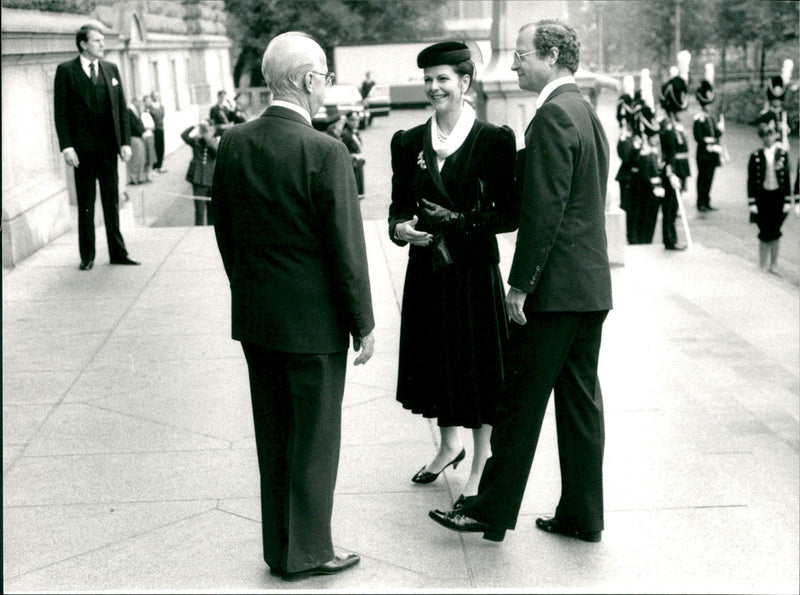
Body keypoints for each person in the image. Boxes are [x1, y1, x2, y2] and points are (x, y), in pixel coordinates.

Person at [428, 19, 611, 544]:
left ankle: (488, 510)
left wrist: (520, 284)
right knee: (579, 407)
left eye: (521, 54)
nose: (513, 64)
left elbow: (546, 211)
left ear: (551, 55)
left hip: (554, 293)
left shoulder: (553, 116)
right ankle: (581, 514)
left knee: (517, 402)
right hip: (590, 289)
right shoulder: (585, 112)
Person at [211, 31, 375, 581]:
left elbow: (225, 232)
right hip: (314, 326)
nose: (326, 85)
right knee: (314, 442)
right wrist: (363, 323)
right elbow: (346, 252)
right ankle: (308, 552)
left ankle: (280, 547)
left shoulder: (233, 142)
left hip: (259, 321)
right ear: (308, 80)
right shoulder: (326, 151)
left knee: (275, 437)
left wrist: (250, 288)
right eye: (324, 75)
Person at [389, 40, 517, 508]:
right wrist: (400, 229)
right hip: (427, 274)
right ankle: (449, 445)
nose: (433, 87)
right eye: (428, 80)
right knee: (439, 364)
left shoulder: (494, 140)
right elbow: (397, 208)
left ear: (465, 83)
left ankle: (481, 459)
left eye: (443, 79)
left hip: (472, 275)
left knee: (478, 369)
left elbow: (509, 214)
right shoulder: (407, 143)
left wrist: (458, 221)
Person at [53, 23, 140, 270]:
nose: (102, 44)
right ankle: (87, 256)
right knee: (87, 204)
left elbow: (121, 109)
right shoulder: (66, 71)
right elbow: (60, 113)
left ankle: (118, 253)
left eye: (102, 40)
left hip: (108, 149)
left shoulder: (110, 69)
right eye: (97, 40)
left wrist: (124, 142)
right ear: (83, 44)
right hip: (81, 152)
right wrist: (66, 147)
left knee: (112, 201)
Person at [747, 117, 792, 274]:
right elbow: (751, 180)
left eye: (771, 134)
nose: (768, 138)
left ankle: (774, 264)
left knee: (776, 230)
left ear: (775, 136)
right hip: (763, 196)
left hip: (777, 196)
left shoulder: (782, 155)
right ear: (762, 137)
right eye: (765, 135)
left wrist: (787, 199)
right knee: (764, 230)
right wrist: (752, 202)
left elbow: (786, 179)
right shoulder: (756, 156)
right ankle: (762, 264)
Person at [658, 51, 692, 251]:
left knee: (674, 207)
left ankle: (671, 237)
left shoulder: (675, 124)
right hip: (673, 169)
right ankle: (669, 240)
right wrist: (671, 173)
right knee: (670, 207)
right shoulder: (668, 127)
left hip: (680, 167)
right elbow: (668, 152)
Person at [693, 66, 723, 212]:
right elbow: (698, 136)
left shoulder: (711, 117)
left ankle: (707, 200)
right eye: (707, 105)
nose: (709, 107)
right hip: (703, 152)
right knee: (703, 178)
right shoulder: (699, 118)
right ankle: (700, 202)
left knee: (710, 177)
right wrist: (710, 142)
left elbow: (716, 133)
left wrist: (719, 131)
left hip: (712, 152)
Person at [181, 119, 218, 226]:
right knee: (199, 211)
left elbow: (215, 153)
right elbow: (184, 135)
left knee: (212, 211)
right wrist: (195, 125)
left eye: (208, 128)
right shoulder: (196, 141)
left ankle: (211, 231)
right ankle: (198, 233)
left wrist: (208, 139)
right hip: (198, 178)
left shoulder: (215, 141)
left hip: (211, 179)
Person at [341, 111, 366, 196]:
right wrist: (354, 156)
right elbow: (344, 151)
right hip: (352, 164)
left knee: (359, 189)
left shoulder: (356, 132)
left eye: (357, 119)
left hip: (358, 164)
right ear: (347, 121)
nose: (355, 122)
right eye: (353, 120)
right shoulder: (345, 134)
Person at [126, 99, 147, 185]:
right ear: (134, 101)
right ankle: (134, 178)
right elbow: (133, 125)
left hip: (138, 136)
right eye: (138, 101)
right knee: (136, 158)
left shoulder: (136, 111)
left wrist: (143, 130)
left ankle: (139, 177)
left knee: (141, 158)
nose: (140, 103)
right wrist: (141, 132)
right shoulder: (130, 111)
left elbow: (140, 123)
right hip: (134, 137)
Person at [147, 91, 167, 172]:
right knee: (154, 147)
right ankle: (155, 166)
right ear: (152, 97)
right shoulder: (150, 107)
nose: (156, 97)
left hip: (160, 128)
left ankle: (160, 165)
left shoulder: (161, 106)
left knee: (161, 146)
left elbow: (162, 116)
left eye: (157, 96)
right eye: (154, 96)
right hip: (154, 129)